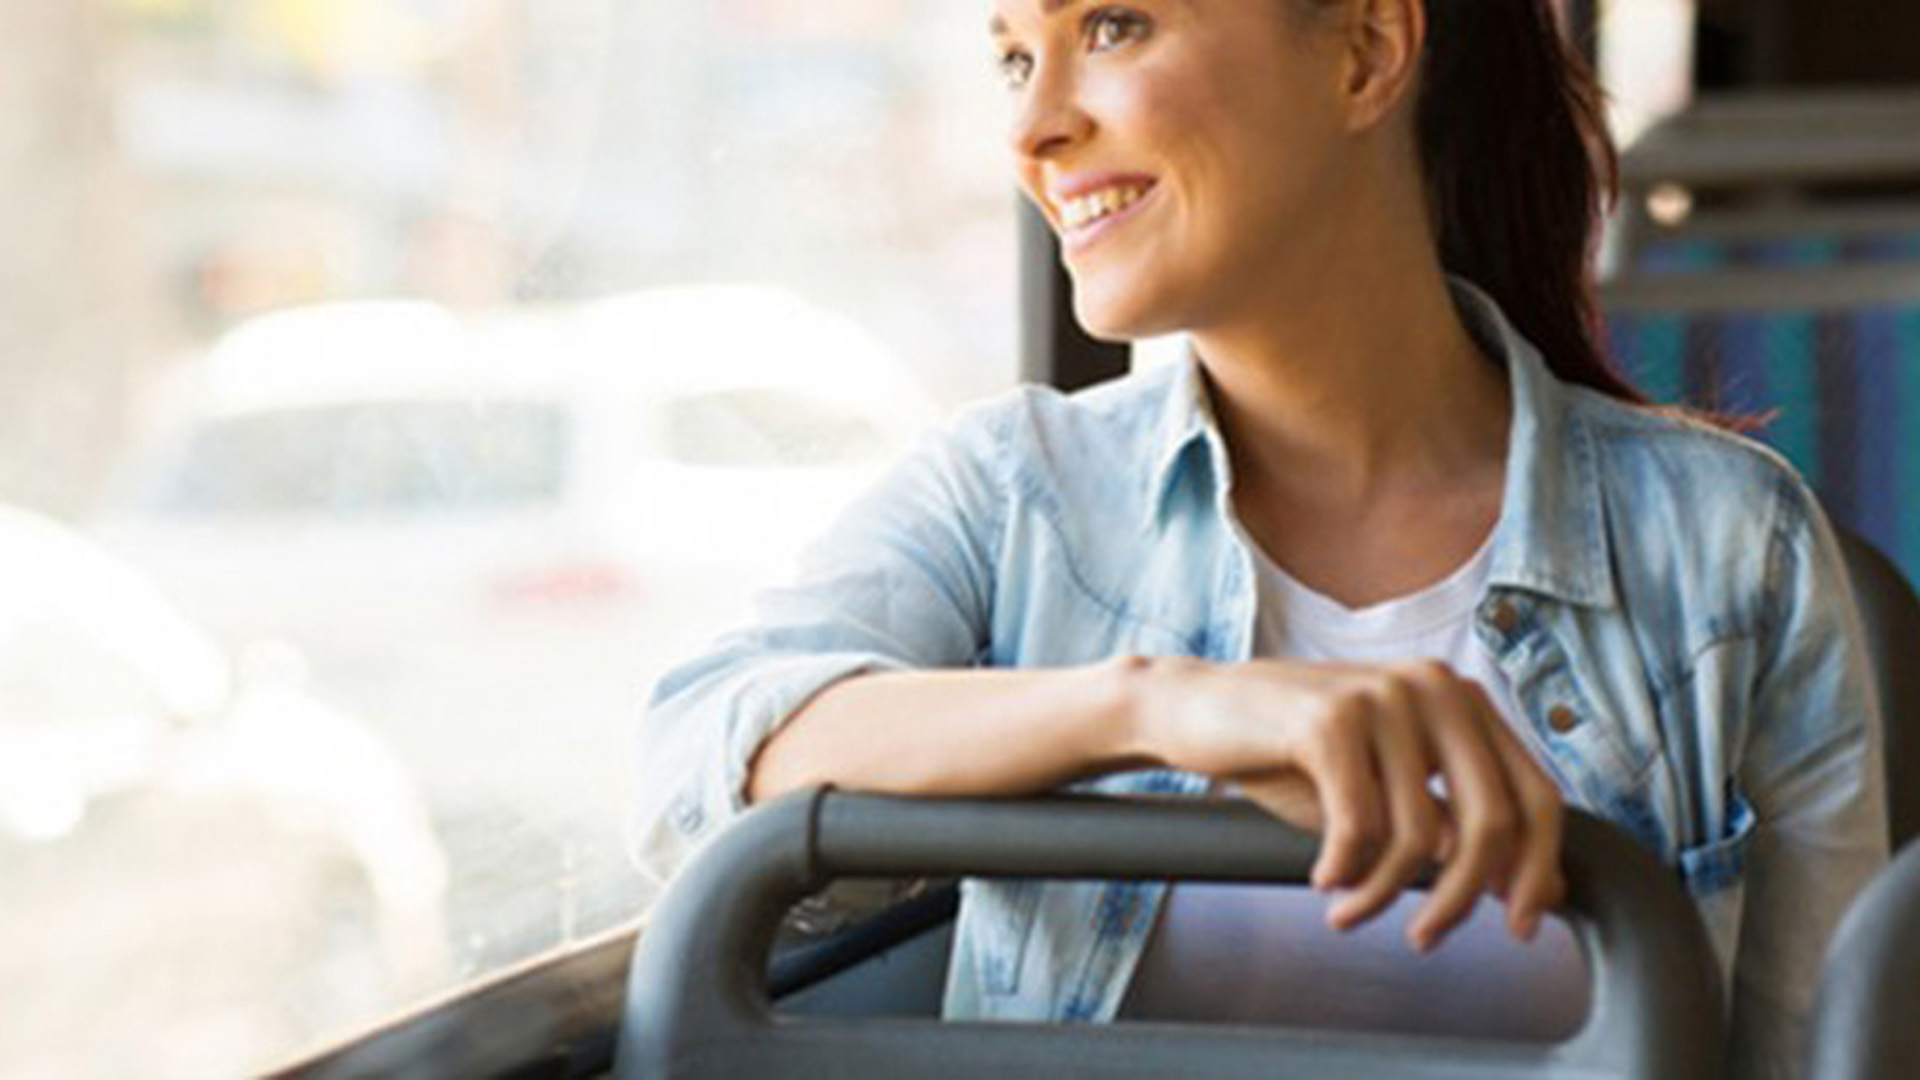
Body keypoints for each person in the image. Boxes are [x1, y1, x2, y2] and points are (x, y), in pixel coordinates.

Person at [633, 0, 1886, 1075]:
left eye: (1113, 25)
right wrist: (1153, 708)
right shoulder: (1017, 494)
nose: (1031, 128)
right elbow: (702, 752)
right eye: (1014, 56)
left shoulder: (1731, 553)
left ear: (1362, 53)